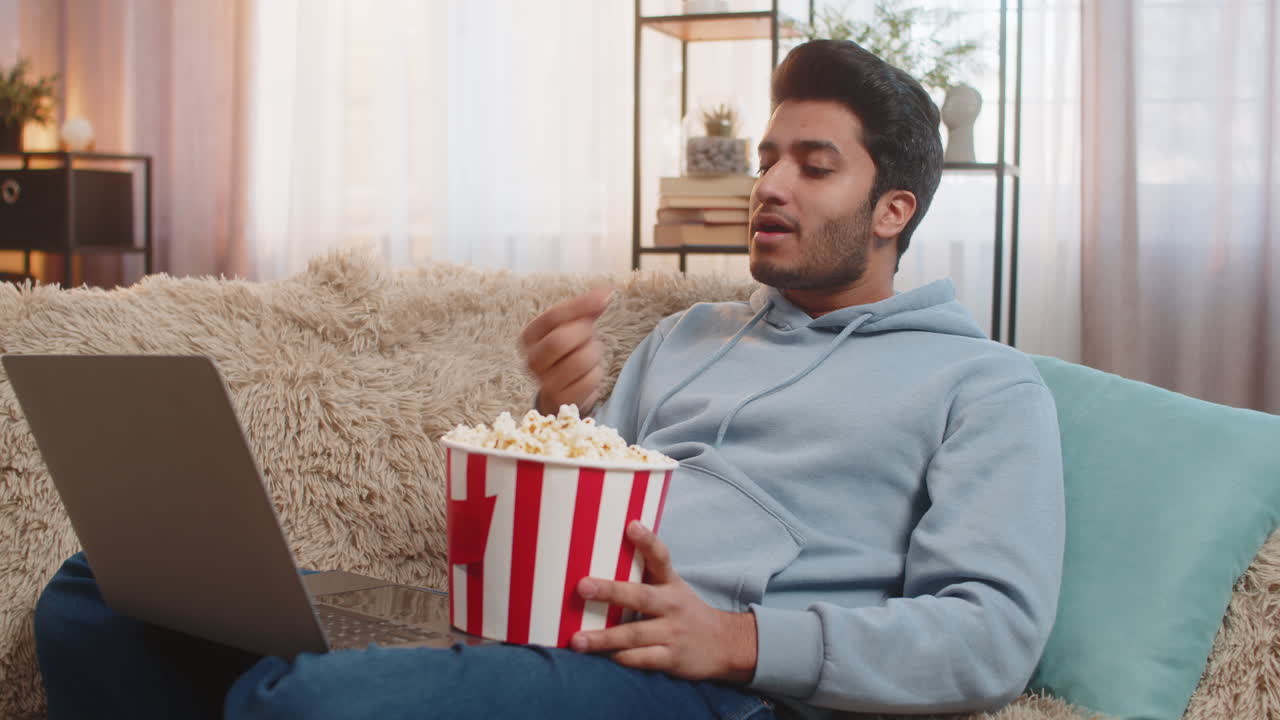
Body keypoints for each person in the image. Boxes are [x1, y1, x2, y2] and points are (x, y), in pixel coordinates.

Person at [33, 40, 1063, 720]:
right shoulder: (692, 333)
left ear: (892, 210)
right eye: (765, 157)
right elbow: (579, 505)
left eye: (812, 163)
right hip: (517, 624)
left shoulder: (981, 385)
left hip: (689, 674)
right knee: (99, 592)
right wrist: (559, 414)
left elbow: (992, 634)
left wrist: (740, 640)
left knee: (306, 702)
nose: (768, 185)